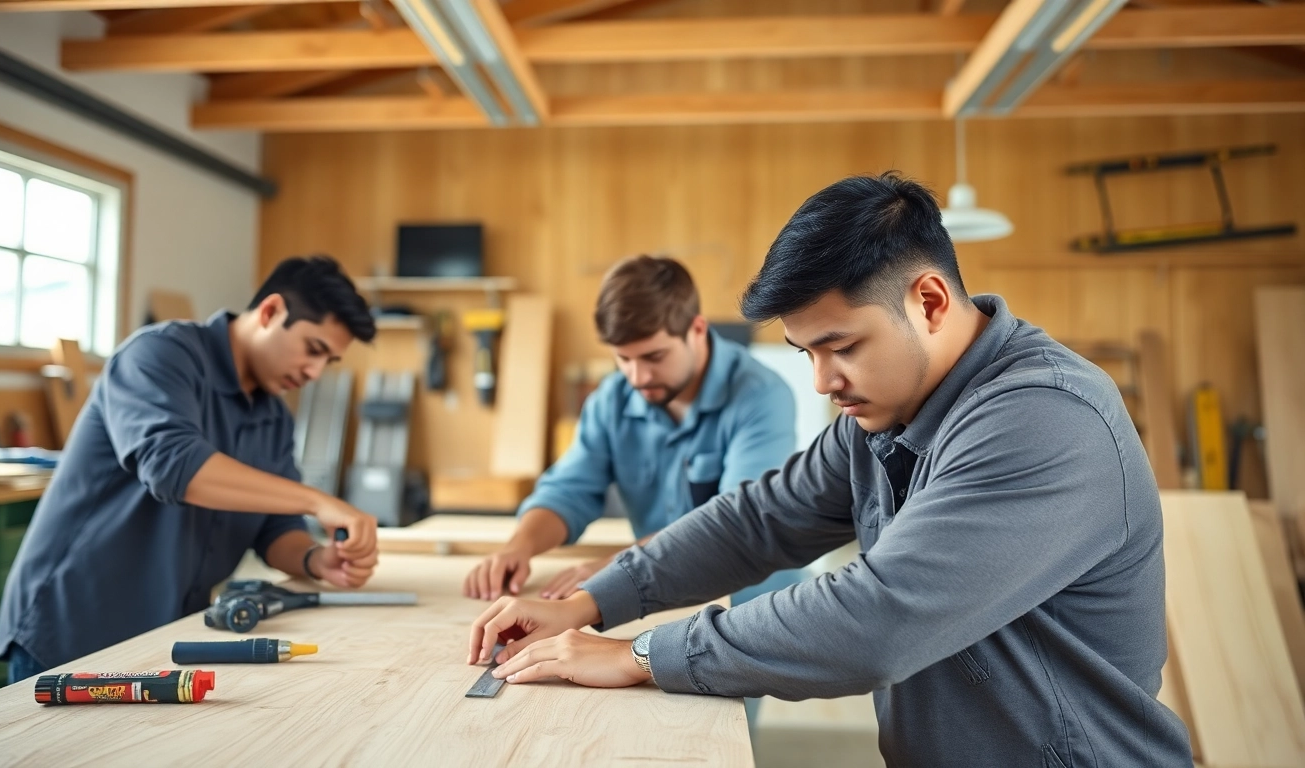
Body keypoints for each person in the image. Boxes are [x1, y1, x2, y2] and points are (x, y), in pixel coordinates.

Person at [466, 175, 1194, 766]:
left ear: (930, 302)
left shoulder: (1042, 417)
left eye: (839, 346)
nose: (821, 381)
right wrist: (590, 602)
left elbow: (881, 620)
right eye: (805, 351)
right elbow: (758, 520)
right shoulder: (886, 413)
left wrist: (642, 654)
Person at [0, 256, 383, 683]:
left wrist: (315, 560)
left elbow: (275, 528)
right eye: (314, 349)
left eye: (328, 362)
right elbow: (175, 466)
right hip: (73, 633)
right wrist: (318, 500)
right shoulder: (159, 355)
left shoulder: (274, 417)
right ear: (270, 312)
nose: (314, 372)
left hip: (164, 638)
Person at [463, 255, 803, 607]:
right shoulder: (610, 399)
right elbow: (568, 491)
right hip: (665, 598)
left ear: (697, 330)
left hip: (755, 606)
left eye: (654, 357)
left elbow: (734, 523)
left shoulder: (762, 396)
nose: (638, 377)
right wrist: (519, 547)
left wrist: (618, 568)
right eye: (623, 359)